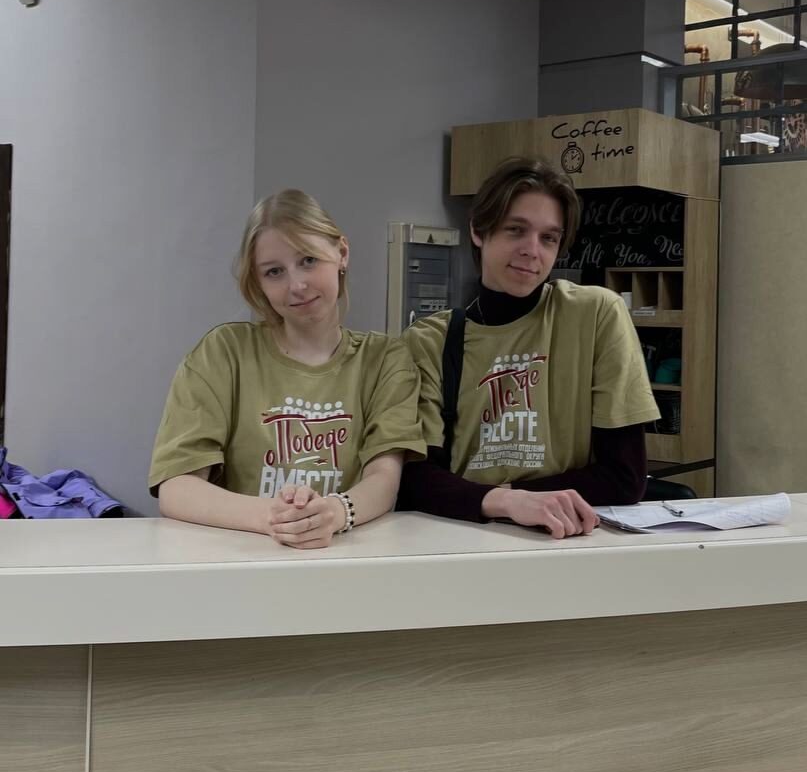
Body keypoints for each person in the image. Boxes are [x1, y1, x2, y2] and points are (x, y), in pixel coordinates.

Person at [398, 156, 659, 539]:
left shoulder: (596, 314)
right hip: (462, 538)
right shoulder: (428, 341)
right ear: (478, 230)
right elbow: (414, 479)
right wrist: (507, 502)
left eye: (548, 238)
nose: (532, 250)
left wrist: (511, 497)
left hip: (569, 538)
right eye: (515, 230)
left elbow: (624, 477)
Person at [149, 189, 425, 547]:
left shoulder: (386, 359)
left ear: (341, 253)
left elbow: (384, 478)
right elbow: (177, 488)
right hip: (241, 560)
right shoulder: (223, 353)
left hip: (344, 558)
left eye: (308, 260)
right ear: (258, 282)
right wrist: (275, 517)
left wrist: (333, 513)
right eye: (274, 272)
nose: (297, 285)